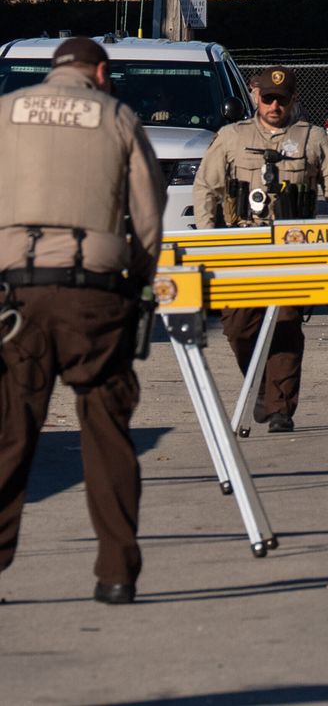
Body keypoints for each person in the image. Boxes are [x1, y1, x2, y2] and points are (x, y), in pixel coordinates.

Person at [0, 37, 165, 605]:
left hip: (13, 298)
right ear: (99, 71)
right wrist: (140, 280)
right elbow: (148, 211)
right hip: (94, 296)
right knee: (106, 431)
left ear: (52, 72)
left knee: (10, 435)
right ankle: (116, 572)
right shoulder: (117, 116)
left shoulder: (6, 111)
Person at [192, 65, 328, 431]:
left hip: (292, 248)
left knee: (285, 322)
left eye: (281, 100)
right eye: (267, 98)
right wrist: (207, 240)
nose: (273, 106)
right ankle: (261, 386)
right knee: (238, 325)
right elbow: (206, 187)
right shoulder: (232, 137)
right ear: (255, 96)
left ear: (293, 100)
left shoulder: (312, 139)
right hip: (241, 247)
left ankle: (280, 407)